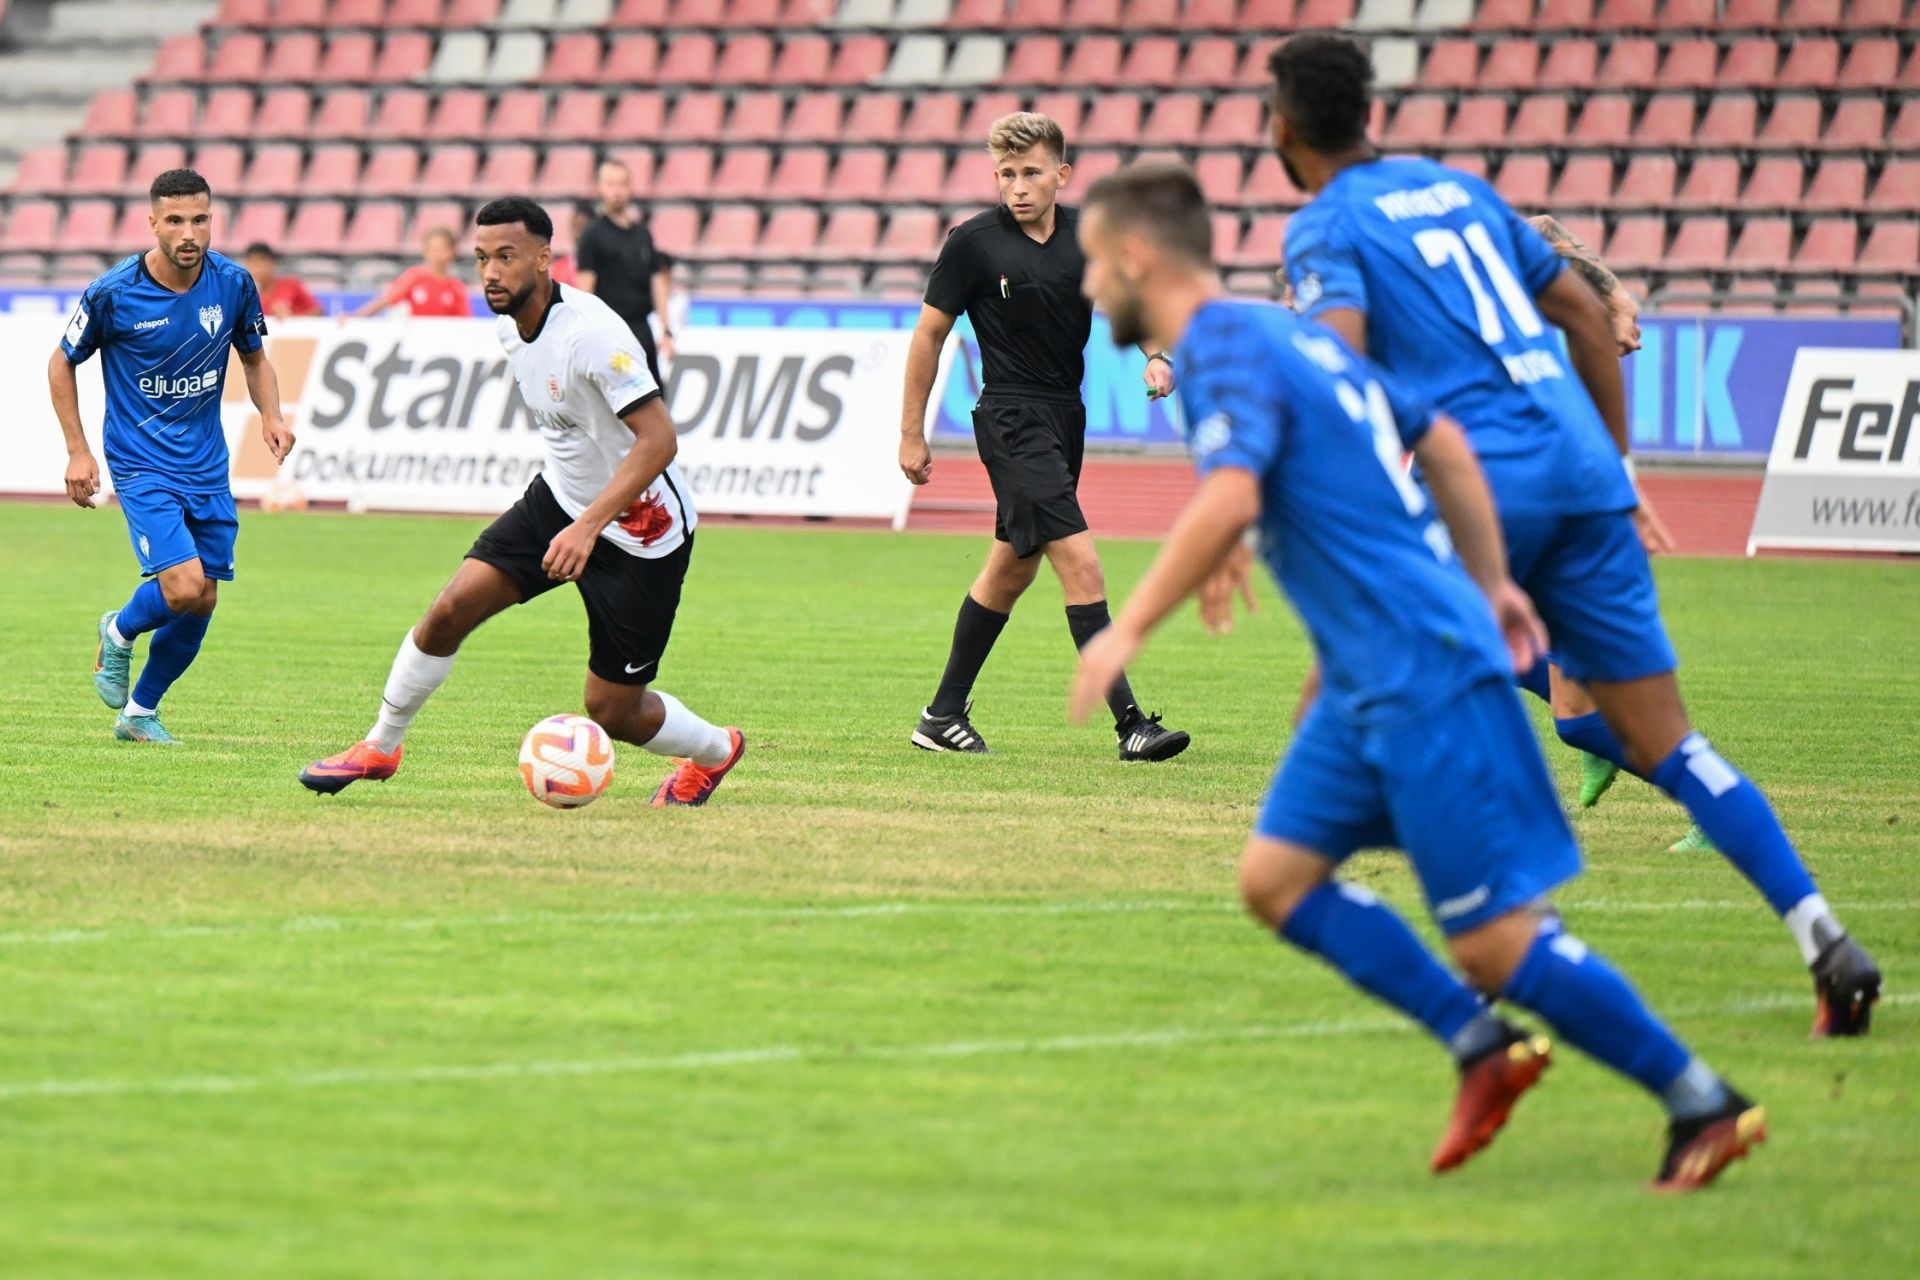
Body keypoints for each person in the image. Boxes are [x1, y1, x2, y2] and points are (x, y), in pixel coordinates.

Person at [1071, 161, 1763, 1190]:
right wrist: (1493, 581)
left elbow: (1235, 493)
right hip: (1368, 674)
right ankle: (1482, 1046)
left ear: (1133, 257)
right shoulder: (1288, 333)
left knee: (1493, 944)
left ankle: (1701, 1099)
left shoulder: (1220, 345)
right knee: (1275, 879)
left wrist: (1124, 629)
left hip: (1415, 666)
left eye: (1093, 265)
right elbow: (1438, 438)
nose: (1089, 288)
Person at [1262, 30, 1878, 1034]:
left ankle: (1495, 950)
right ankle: (1825, 938)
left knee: (1363, 701)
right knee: (1663, 738)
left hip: (1482, 484)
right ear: (1369, 112)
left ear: (1283, 130)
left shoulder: (1325, 227)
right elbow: (1589, 318)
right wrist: (1618, 474)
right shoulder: (1458, 188)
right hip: (1583, 475)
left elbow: (1342, 374)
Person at [300, 198, 744, 807]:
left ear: (543, 258)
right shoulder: (509, 326)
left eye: (506, 257)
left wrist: (589, 527)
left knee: (612, 710)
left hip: (643, 532)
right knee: (449, 610)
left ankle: (716, 750)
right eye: (482, 258)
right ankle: (381, 745)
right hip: (559, 503)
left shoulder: (592, 336)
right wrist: (574, 517)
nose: (491, 272)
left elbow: (659, 440)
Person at [897, 111, 1188, 761]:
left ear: (1063, 174)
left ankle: (941, 716)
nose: (1018, 186)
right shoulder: (972, 243)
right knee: (1080, 563)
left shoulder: (1091, 236)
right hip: (1010, 417)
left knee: (1011, 569)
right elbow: (929, 336)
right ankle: (1131, 725)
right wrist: (911, 433)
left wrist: (1155, 353)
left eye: (1031, 173)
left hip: (1064, 416)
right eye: (1006, 174)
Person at [49, 168, 294, 744]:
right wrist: (78, 451)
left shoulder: (233, 283)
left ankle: (139, 713)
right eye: (176, 220)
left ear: (212, 220)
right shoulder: (114, 292)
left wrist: (272, 415)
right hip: (141, 463)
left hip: (206, 464)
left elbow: (254, 358)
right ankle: (118, 630)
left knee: (202, 599)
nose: (189, 233)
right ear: (153, 223)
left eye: (200, 219)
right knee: (182, 586)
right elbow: (61, 363)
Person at [575, 160, 673, 388]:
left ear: (630, 188)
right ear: (600, 187)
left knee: (654, 395)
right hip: (612, 333)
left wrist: (666, 330)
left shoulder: (642, 235)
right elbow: (585, 289)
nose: (617, 191)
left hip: (642, 330)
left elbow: (657, 282)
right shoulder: (592, 235)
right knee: (625, 396)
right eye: (610, 184)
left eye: (622, 184)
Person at [352, 227, 472, 318]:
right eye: (433, 249)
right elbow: (387, 299)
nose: (437, 254)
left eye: (442, 249)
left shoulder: (456, 286)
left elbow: (463, 321)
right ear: (425, 251)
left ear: (452, 252)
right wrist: (357, 317)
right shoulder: (414, 276)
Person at [242, 242, 323, 318]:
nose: (258, 269)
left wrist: (292, 317)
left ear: (273, 263)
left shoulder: (291, 285)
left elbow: (318, 312)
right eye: (253, 264)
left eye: (262, 263)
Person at [549, 206, 594, 287]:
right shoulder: (559, 267)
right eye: (575, 226)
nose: (579, 233)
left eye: (583, 227)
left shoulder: (601, 266)